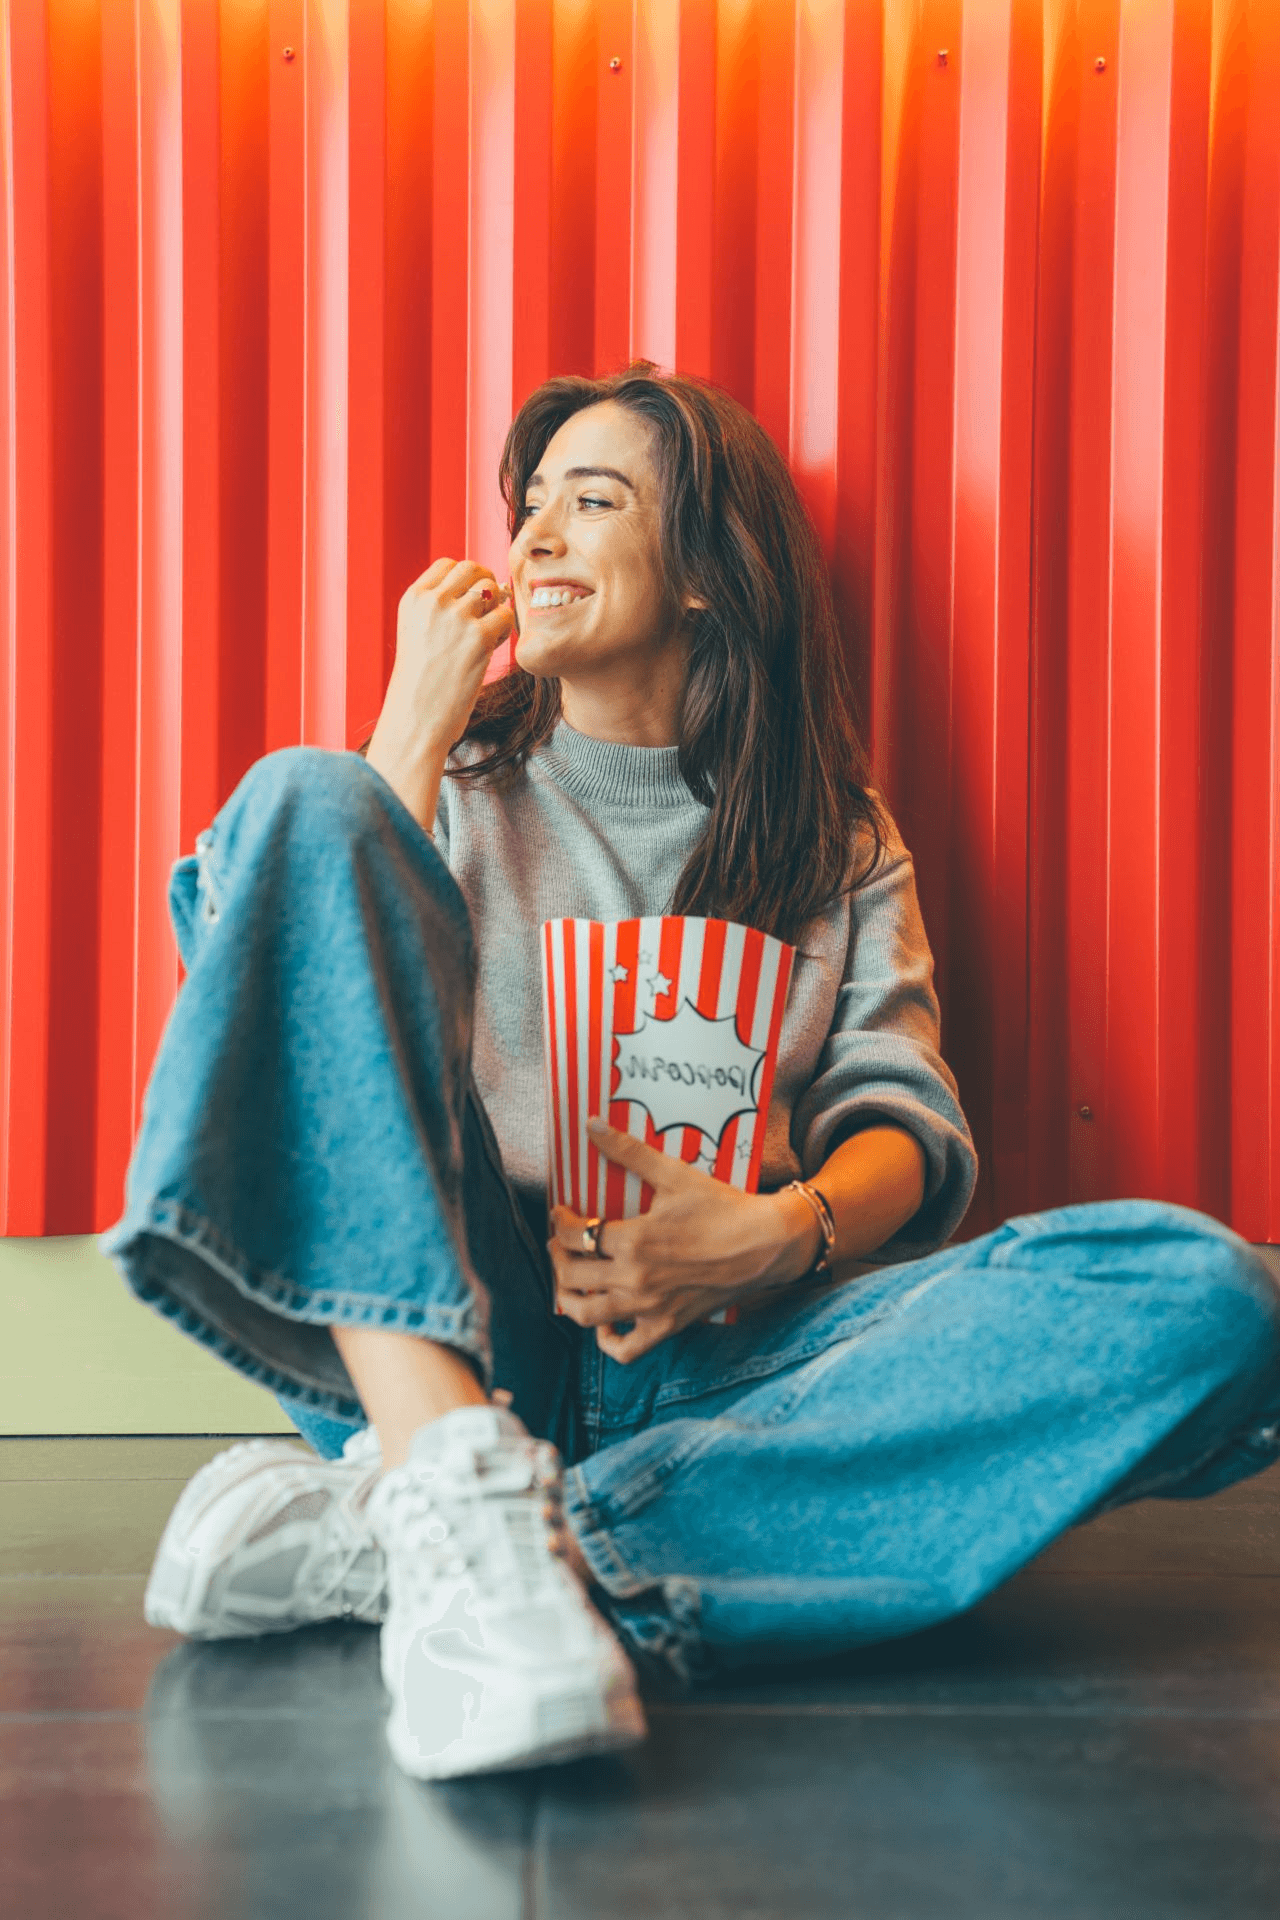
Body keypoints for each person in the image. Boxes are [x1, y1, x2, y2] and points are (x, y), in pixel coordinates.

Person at [103, 363, 1280, 1783]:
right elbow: (279, 1025)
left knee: (1212, 1300)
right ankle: (451, 1464)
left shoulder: (833, 836)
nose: (531, 535)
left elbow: (899, 1112)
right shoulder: (450, 784)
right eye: (526, 504)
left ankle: (461, 1538)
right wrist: (410, 727)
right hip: (467, 1330)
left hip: (738, 1363)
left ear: (709, 573)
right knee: (306, 797)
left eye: (588, 502)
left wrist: (778, 1233)